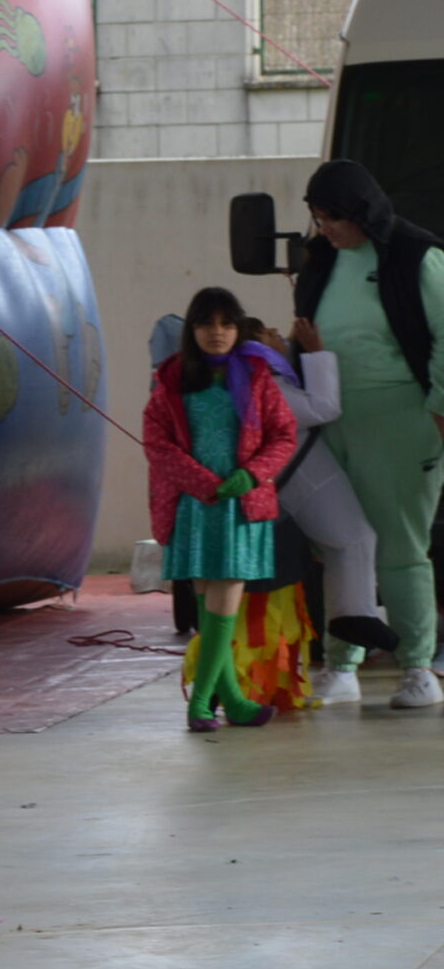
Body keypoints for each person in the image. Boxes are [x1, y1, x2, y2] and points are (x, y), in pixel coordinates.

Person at [292, 159, 444, 710]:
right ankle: (341, 664)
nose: (325, 226)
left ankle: (419, 668)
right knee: (341, 543)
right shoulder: (320, 260)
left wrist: (439, 412)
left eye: (334, 216)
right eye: (317, 216)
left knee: (400, 548)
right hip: (329, 414)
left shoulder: (416, 256)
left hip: (402, 417)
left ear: (364, 211)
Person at [147, 288, 295, 731]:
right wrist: (205, 484)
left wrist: (251, 475)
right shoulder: (170, 380)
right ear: (192, 330)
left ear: (237, 328)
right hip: (193, 507)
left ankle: (205, 703)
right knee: (214, 608)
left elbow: (283, 435)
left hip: (243, 506)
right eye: (207, 324)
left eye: (227, 324)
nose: (217, 333)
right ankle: (229, 700)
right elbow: (156, 443)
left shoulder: (257, 377)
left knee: (222, 603)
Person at [239, 318, 398, 702]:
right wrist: (317, 353)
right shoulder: (268, 383)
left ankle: (351, 618)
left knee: (342, 546)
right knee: (355, 539)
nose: (278, 334)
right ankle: (354, 616)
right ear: (255, 344)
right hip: (306, 473)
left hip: (295, 475)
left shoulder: (256, 379)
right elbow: (325, 407)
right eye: (269, 333)